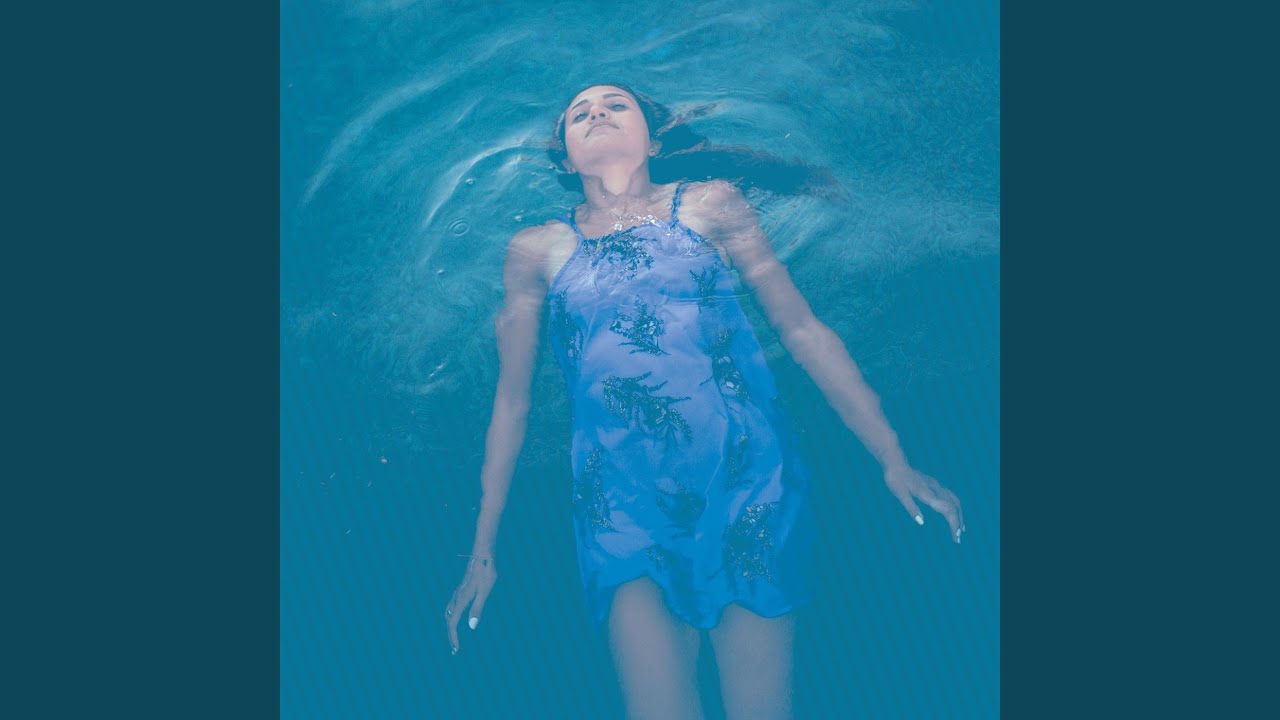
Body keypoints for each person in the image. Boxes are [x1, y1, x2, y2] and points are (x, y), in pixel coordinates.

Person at [444, 83, 965, 720]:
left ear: (653, 141)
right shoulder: (535, 249)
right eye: (580, 114)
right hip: (621, 502)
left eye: (615, 105)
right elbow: (512, 403)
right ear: (566, 159)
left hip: (746, 478)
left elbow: (801, 329)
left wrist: (892, 456)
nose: (597, 112)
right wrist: (482, 548)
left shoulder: (710, 204)